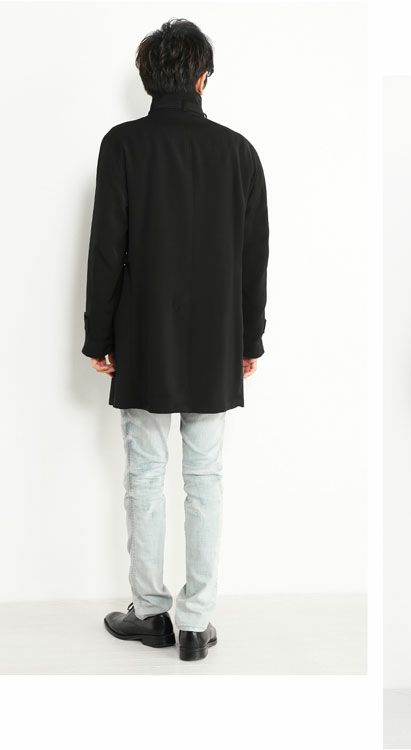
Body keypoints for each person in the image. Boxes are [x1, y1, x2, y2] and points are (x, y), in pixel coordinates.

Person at [81, 18, 269, 662]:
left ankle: (150, 610)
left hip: (144, 334)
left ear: (147, 77)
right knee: (205, 476)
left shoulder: (123, 145)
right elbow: (253, 258)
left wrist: (98, 334)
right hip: (216, 338)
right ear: (202, 78)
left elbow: (106, 248)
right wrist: (250, 338)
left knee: (144, 473)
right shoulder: (239, 152)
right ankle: (195, 622)